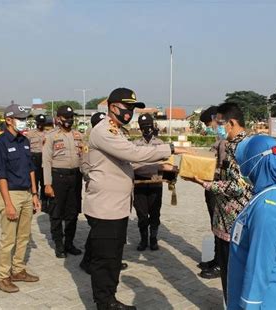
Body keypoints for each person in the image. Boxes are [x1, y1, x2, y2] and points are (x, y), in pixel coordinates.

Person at [82, 87, 187, 310]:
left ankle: (109, 298)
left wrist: (160, 167)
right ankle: (104, 303)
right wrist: (167, 149)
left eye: (133, 108)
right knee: (104, 261)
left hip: (116, 207)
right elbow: (133, 154)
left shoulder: (117, 131)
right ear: (112, 107)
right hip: (105, 208)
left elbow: (131, 163)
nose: (130, 112)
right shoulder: (104, 131)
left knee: (112, 259)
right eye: (127, 107)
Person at [184, 102, 253, 303]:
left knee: (232, 276)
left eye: (220, 123)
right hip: (229, 220)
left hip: (233, 223)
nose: (217, 127)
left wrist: (205, 183)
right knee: (234, 274)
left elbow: (237, 186)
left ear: (231, 122)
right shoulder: (244, 144)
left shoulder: (237, 148)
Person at [228, 134, 276, 310]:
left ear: (256, 162)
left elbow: (260, 266)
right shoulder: (269, 193)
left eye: (245, 162)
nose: (243, 168)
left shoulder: (268, 208)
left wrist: (249, 305)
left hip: (263, 302)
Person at [0, 104, 41, 293]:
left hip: (27, 194)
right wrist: (8, 204)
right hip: (9, 194)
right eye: (20, 118)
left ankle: (18, 270)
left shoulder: (24, 141)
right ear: (8, 120)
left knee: (23, 236)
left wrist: (35, 194)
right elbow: (0, 175)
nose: (23, 121)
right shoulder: (0, 143)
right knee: (8, 239)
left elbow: (30, 169)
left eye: (25, 118)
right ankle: (3, 277)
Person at [80, 112, 129, 274]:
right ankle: (89, 262)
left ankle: (108, 261)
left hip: (113, 194)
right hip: (99, 192)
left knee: (104, 236)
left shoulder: (113, 136)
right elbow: (85, 164)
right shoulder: (93, 139)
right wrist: (93, 179)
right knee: (99, 235)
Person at [43, 105, 84, 258]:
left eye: (71, 117)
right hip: (58, 178)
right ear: (58, 118)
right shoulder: (51, 136)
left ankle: (69, 243)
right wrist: (47, 184)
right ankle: (59, 245)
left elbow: (83, 158)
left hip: (75, 177)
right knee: (56, 213)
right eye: (66, 117)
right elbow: (46, 161)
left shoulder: (78, 135)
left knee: (73, 213)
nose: (69, 120)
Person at [196, 105, 224, 279]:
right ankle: (216, 259)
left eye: (209, 123)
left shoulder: (229, 141)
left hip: (220, 189)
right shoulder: (220, 140)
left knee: (221, 225)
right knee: (215, 225)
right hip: (212, 187)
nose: (209, 127)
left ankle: (222, 264)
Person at [133, 113, 167, 251]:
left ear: (153, 126)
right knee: (141, 214)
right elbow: (132, 164)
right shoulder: (134, 144)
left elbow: (166, 164)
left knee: (155, 212)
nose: (147, 129)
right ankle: (143, 239)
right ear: (140, 128)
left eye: (148, 126)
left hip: (155, 182)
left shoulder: (160, 143)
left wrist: (170, 177)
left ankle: (153, 239)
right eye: (143, 127)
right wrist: (153, 166)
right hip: (139, 183)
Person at [25, 114, 50, 206]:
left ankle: (44, 200)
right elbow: (26, 147)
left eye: (42, 123)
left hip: (44, 158)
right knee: (34, 179)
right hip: (33, 157)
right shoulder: (30, 134)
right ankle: (34, 198)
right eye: (39, 123)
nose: (40, 125)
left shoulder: (48, 134)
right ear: (36, 123)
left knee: (44, 180)